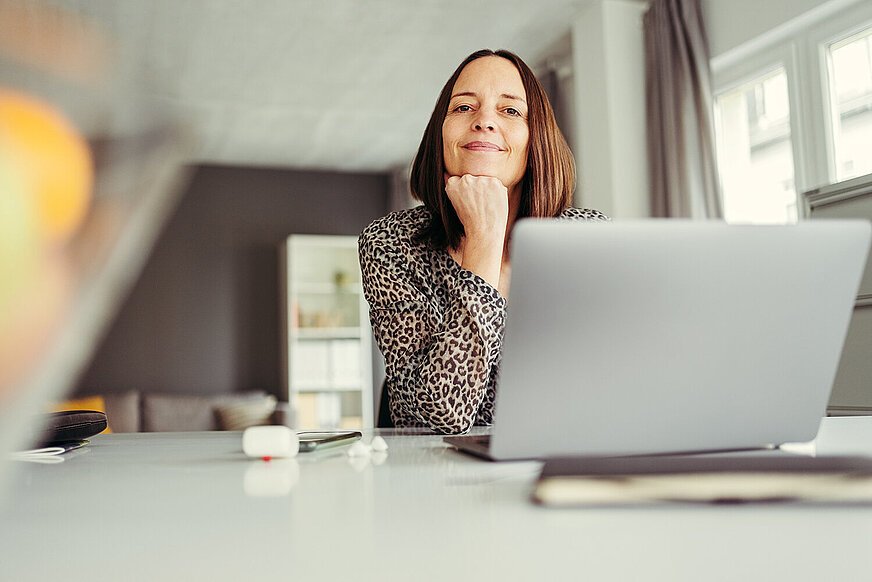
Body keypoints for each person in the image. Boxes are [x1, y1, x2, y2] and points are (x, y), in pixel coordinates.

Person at [359, 49, 607, 434]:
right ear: (440, 135)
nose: (484, 121)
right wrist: (485, 240)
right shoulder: (392, 244)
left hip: (561, 462)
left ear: (535, 138)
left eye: (510, 111)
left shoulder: (588, 241)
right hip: (433, 480)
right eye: (462, 108)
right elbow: (441, 415)